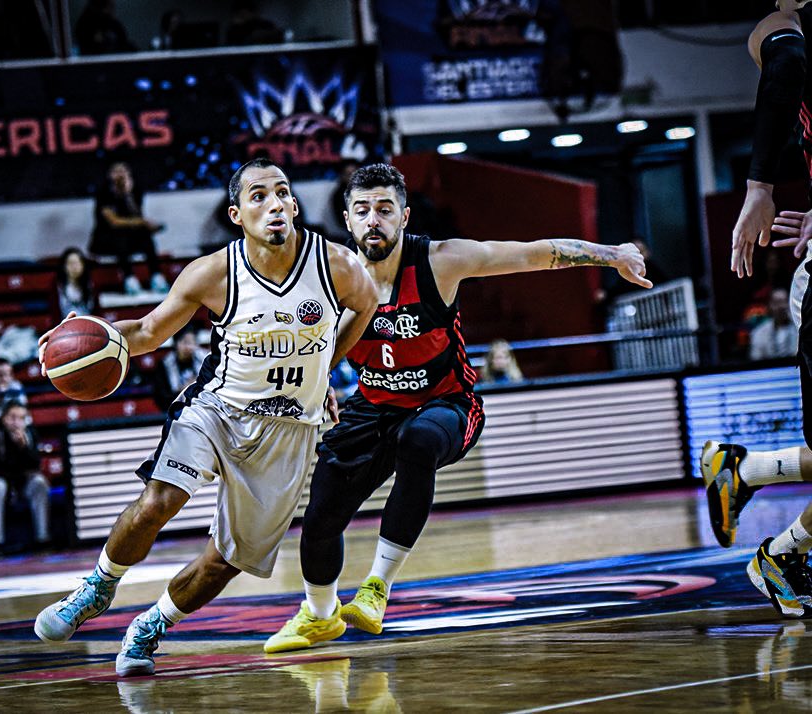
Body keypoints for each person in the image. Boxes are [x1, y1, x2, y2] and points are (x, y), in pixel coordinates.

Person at [264, 163, 651, 653]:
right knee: (320, 516)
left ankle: (376, 588)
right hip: (373, 405)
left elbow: (532, 255)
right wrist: (316, 381)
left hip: (446, 402)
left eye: (385, 209)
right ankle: (319, 615)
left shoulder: (440, 261)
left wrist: (612, 253)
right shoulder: (332, 275)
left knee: (418, 441)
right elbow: (302, 341)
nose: (373, 220)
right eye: (362, 211)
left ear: (403, 216)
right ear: (347, 218)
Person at [33, 158, 376, 676]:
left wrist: (326, 368)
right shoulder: (214, 272)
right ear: (238, 214)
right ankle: (96, 588)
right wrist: (84, 332)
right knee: (161, 498)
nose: (275, 202)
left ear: (295, 206)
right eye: (259, 196)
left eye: (283, 192)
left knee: (227, 559)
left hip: (290, 431)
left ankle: (152, 625)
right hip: (217, 410)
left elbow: (366, 305)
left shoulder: (337, 266)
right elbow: (148, 331)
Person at [702, 0, 812, 620]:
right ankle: (778, 545)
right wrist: (761, 185)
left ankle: (747, 477)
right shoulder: (786, 32)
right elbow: (787, 54)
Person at [0, 401, 51, 549]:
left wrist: (23, 448)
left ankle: (43, 538)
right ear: (3, 417)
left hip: (15, 483)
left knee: (39, 482)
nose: (17, 423)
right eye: (12, 417)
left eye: (21, 418)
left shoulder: (30, 434)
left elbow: (35, 466)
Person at [89, 162, 168, 294]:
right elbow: (114, 221)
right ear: (110, 175)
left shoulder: (135, 190)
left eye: (123, 171)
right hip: (106, 240)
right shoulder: (103, 193)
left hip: (130, 239)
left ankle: (156, 276)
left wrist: (128, 196)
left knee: (145, 236)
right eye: (117, 172)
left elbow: (137, 215)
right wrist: (142, 222)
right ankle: (129, 278)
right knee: (120, 235)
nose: (120, 175)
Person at [151, 327, 205, 411]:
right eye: (185, 342)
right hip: (175, 410)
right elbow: (161, 397)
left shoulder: (204, 359)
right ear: (176, 343)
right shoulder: (165, 364)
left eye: (192, 342)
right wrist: (184, 390)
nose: (189, 347)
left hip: (202, 408)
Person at [750, 287, 799, 360]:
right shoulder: (759, 332)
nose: (781, 306)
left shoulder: (800, 329)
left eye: (784, 302)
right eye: (777, 303)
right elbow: (756, 359)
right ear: (770, 306)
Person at [56, 247, 96, 317]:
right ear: (64, 266)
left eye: (77, 263)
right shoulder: (57, 286)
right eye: (70, 263)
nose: (74, 267)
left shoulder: (91, 285)